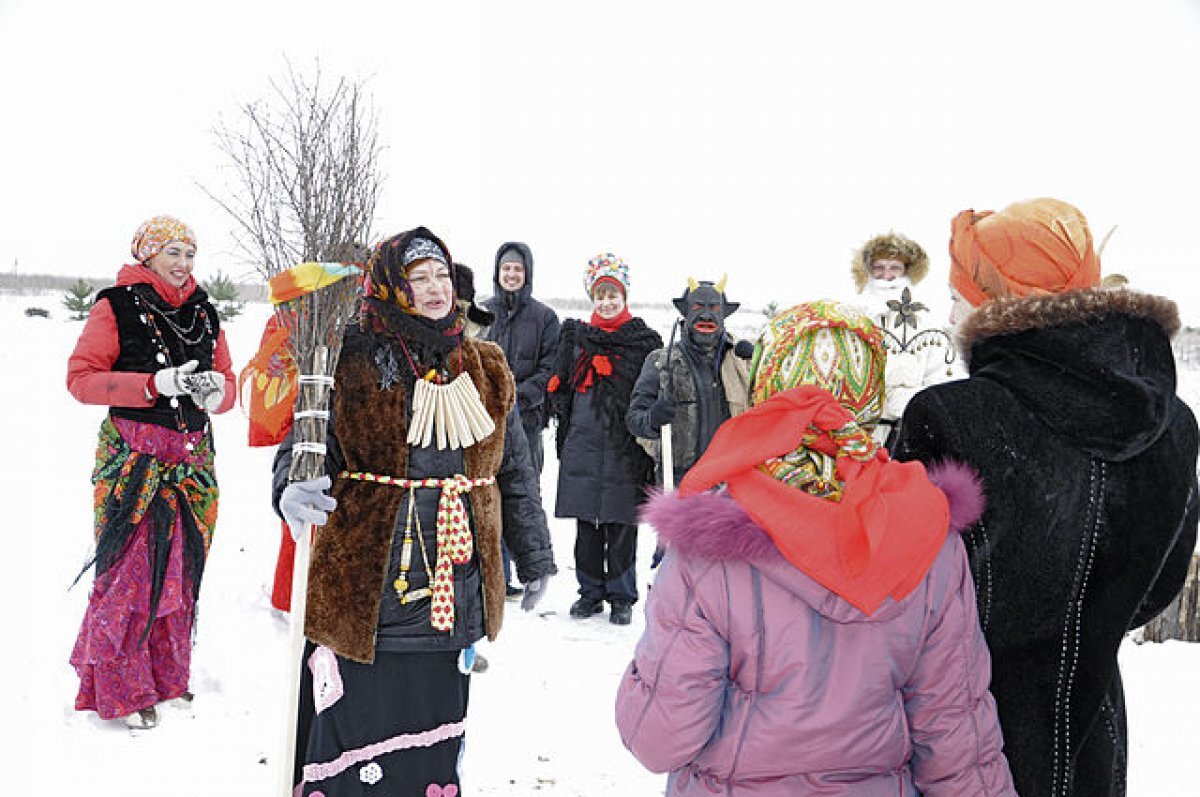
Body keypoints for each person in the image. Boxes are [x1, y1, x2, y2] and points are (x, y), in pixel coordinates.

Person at [615, 300, 1016, 796]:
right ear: (869, 393)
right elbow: (957, 734)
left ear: (766, 386)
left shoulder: (710, 547)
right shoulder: (928, 535)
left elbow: (659, 738)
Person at [892, 197, 1199, 797]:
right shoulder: (1174, 425)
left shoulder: (950, 417)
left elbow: (895, 594)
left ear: (997, 301)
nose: (950, 309)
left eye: (961, 292)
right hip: (1094, 732)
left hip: (961, 737)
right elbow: (1154, 592)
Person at [274, 226, 557, 796]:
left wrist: (536, 555)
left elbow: (515, 472)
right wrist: (290, 486)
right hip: (363, 589)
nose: (434, 289)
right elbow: (301, 445)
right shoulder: (346, 357)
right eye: (418, 278)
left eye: (441, 276)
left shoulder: (486, 365)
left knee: (433, 739)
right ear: (390, 287)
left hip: (456, 586)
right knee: (354, 729)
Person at [66, 214, 237, 730]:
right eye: (173, 253)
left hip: (191, 462)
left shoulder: (204, 310)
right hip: (134, 463)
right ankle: (123, 689)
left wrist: (218, 394)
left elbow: (229, 384)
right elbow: (80, 380)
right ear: (146, 255)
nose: (184, 264)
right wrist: (153, 383)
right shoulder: (114, 305)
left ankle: (166, 677)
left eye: (190, 254)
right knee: (128, 577)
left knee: (180, 573)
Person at [547, 253, 662, 625]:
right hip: (582, 443)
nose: (607, 302)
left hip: (624, 448)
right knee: (586, 526)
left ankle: (622, 596)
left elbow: (653, 393)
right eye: (600, 295)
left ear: (625, 295)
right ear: (591, 297)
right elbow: (560, 385)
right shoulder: (577, 338)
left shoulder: (643, 342)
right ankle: (590, 593)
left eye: (613, 294)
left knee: (622, 525)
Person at [481, 243, 560, 596]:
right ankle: (496, 573)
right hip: (483, 420)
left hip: (525, 421)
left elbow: (550, 369)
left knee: (521, 491)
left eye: (518, 269)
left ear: (527, 273)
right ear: (497, 272)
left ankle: (523, 566)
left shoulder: (544, 318)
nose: (511, 275)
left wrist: (518, 397)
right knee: (485, 491)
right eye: (506, 268)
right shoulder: (484, 312)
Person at [627, 276, 752, 487]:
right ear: (685, 312)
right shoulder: (660, 362)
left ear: (723, 314)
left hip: (730, 486)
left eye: (714, 307)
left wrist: (758, 360)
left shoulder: (741, 361)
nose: (706, 314)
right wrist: (652, 420)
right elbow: (634, 420)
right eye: (697, 306)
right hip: (678, 485)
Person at [849, 231, 958, 448]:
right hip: (862, 430)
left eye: (895, 268)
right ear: (868, 271)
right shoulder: (855, 317)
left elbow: (939, 375)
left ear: (907, 271)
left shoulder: (926, 320)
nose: (887, 275)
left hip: (909, 428)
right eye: (879, 268)